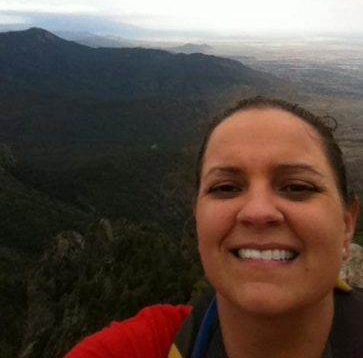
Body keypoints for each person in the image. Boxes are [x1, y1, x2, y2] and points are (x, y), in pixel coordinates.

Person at [65, 96, 363, 358]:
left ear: (347, 224)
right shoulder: (140, 348)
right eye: (226, 188)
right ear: (197, 216)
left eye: (297, 186)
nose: (257, 212)